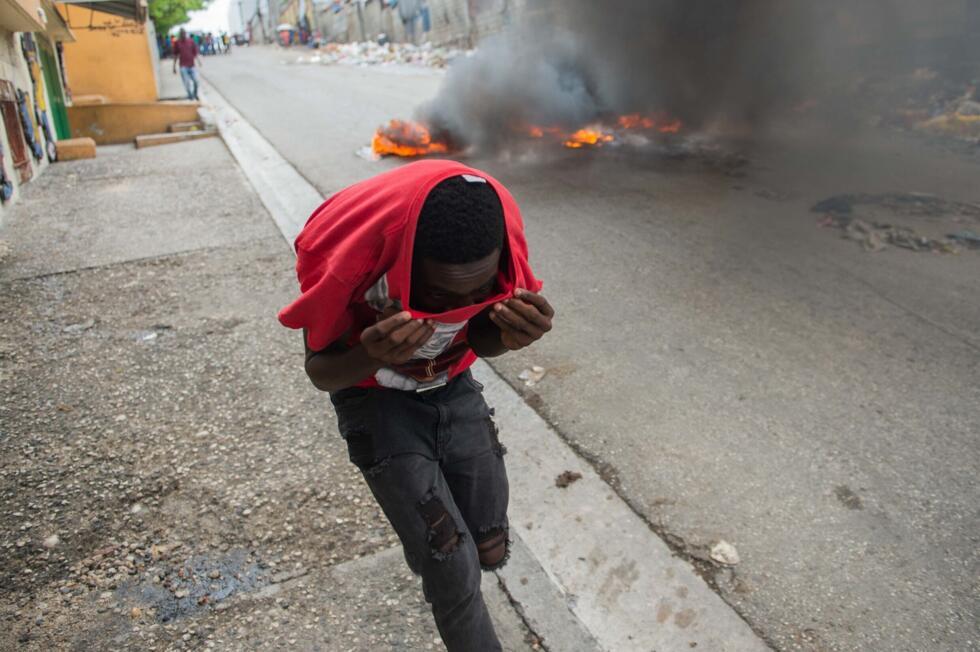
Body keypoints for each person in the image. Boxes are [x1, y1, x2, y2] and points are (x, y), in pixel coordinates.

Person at [279, 160, 554, 651]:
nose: (458, 306)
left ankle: (448, 559)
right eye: (439, 295)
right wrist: (371, 354)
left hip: (453, 387)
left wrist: (512, 335)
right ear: (404, 264)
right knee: (451, 566)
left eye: (478, 290)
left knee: (489, 547)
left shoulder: (498, 238)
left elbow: (480, 338)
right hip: (377, 402)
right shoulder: (353, 257)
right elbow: (320, 371)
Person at [172, 29, 202, 100]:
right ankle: (190, 96)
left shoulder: (191, 41)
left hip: (192, 65)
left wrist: (199, 61)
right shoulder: (177, 43)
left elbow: (195, 53)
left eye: (184, 33)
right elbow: (175, 55)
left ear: (186, 34)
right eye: (181, 34)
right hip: (183, 66)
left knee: (196, 81)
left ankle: (195, 94)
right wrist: (174, 67)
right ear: (180, 34)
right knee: (186, 83)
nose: (183, 35)